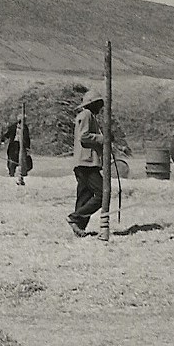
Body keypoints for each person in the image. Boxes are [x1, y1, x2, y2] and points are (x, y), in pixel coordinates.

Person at [67, 89, 105, 237]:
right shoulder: (87, 115)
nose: (100, 108)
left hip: (83, 162)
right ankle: (75, 217)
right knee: (102, 193)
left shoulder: (87, 116)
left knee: (84, 196)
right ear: (93, 104)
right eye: (99, 104)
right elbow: (84, 136)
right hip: (87, 163)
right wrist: (103, 139)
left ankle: (78, 227)